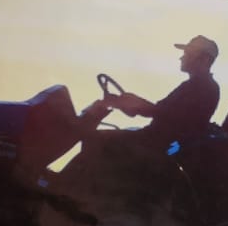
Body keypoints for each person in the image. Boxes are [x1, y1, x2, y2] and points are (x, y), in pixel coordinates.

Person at [85, 34, 221, 150]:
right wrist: (130, 103)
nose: (182, 58)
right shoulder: (197, 85)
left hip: (165, 147)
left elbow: (168, 116)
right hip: (164, 143)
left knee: (97, 140)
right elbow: (162, 111)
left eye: (188, 54)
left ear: (205, 59)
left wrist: (135, 105)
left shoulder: (202, 88)